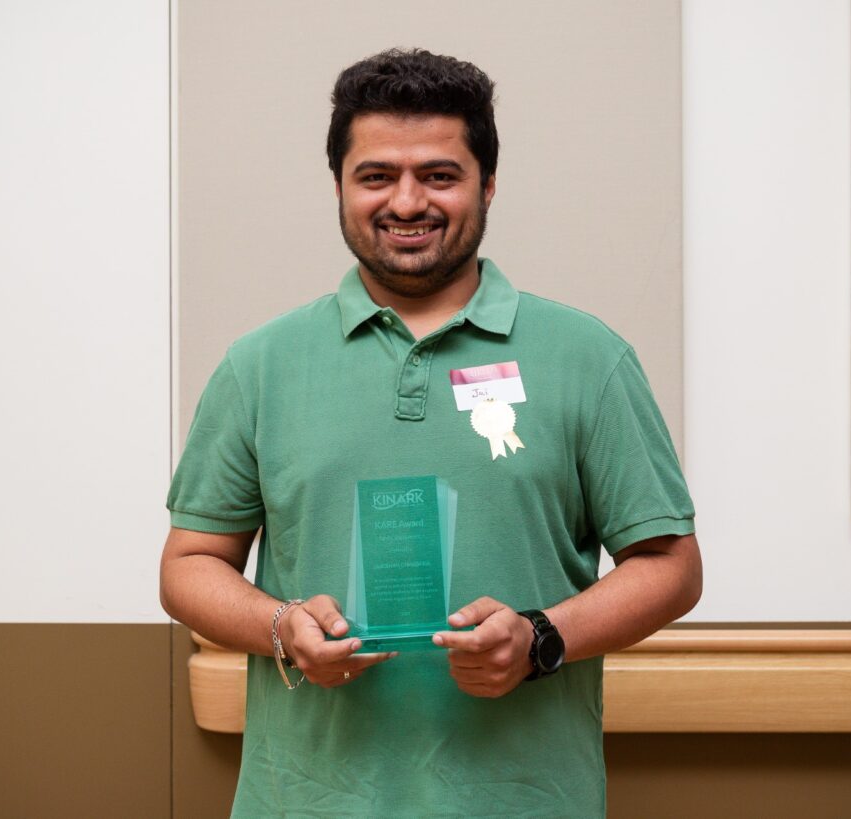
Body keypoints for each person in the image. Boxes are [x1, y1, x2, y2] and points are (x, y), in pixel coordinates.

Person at [161, 48, 701, 818]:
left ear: (487, 184)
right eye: (376, 175)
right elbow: (188, 563)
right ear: (340, 187)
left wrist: (541, 636)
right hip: (307, 801)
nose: (407, 202)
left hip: (526, 801)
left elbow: (672, 566)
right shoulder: (260, 365)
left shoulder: (589, 357)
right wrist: (281, 625)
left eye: (439, 175)